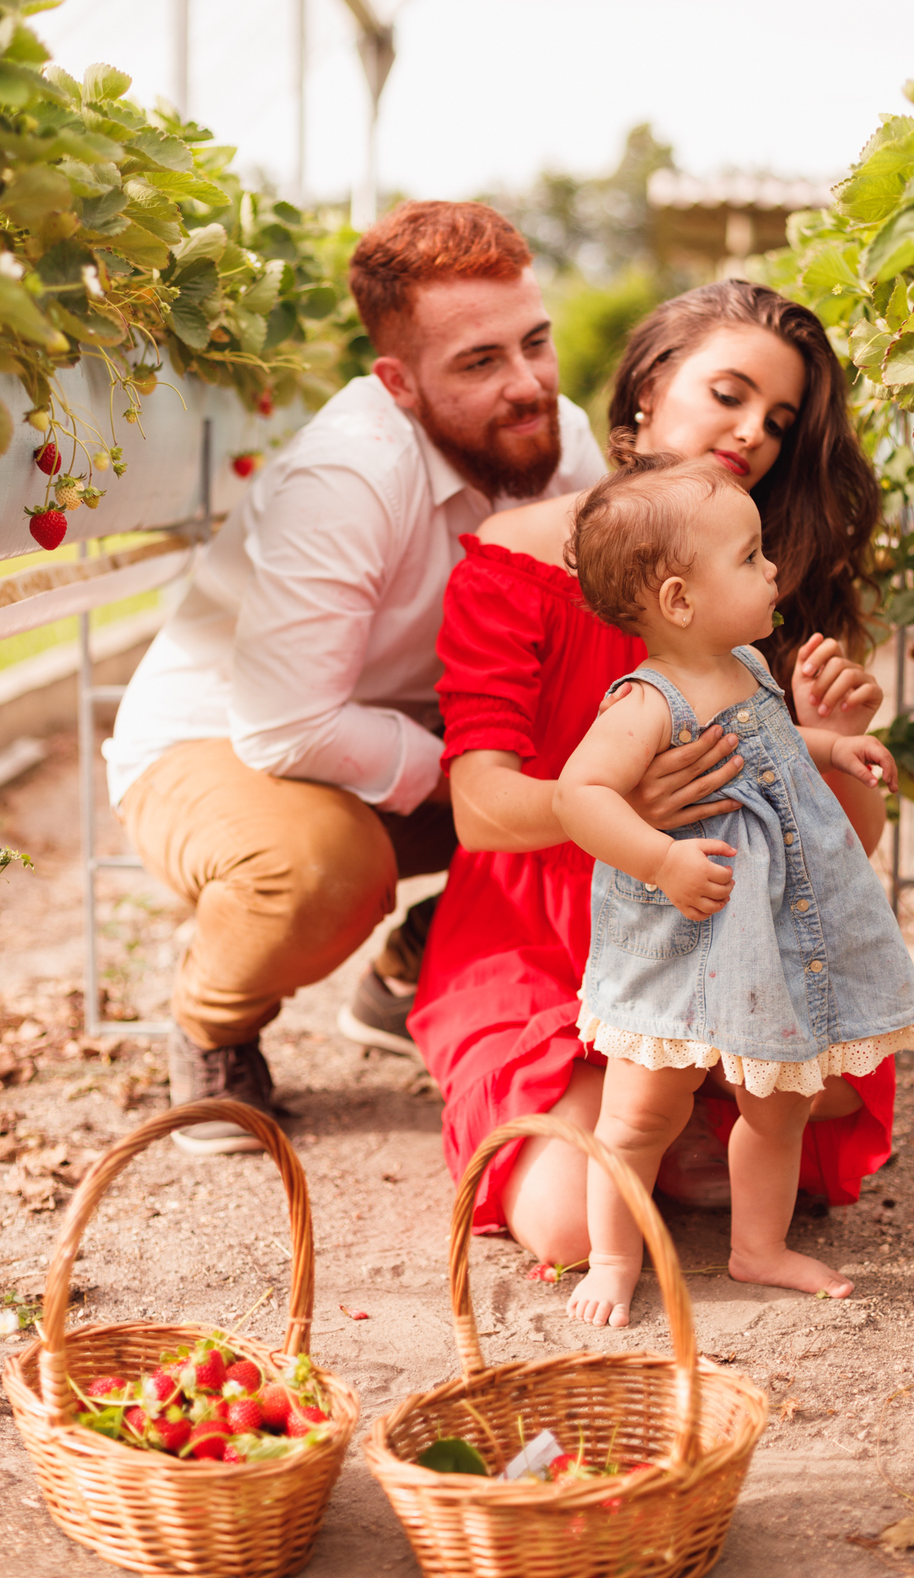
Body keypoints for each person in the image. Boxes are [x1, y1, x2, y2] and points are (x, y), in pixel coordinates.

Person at [103, 201, 608, 1155]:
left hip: (399, 731)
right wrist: (488, 781)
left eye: (534, 343)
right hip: (218, 744)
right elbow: (286, 727)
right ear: (398, 383)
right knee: (320, 871)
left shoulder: (558, 439)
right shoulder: (347, 476)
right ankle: (212, 1026)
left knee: (616, 762)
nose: (528, 385)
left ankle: (412, 967)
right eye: (479, 362)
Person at [409, 278, 895, 1261]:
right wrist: (613, 806)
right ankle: (667, 1117)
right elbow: (481, 808)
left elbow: (842, 836)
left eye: (779, 418)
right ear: (649, 388)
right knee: (563, 1229)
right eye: (730, 393)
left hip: (726, 918)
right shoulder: (515, 560)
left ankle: (676, 1112)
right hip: (545, 927)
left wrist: (829, 743)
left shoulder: (760, 579)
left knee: (812, 1106)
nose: (754, 430)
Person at [554, 453, 914, 1326]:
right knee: (642, 1107)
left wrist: (833, 749)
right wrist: (658, 860)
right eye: (752, 557)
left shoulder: (751, 668)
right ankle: (614, 1256)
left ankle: (758, 1250)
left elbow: (775, 749)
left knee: (779, 1101)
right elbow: (582, 794)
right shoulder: (648, 701)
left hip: (769, 937)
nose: (772, 571)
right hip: (682, 940)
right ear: (679, 600)